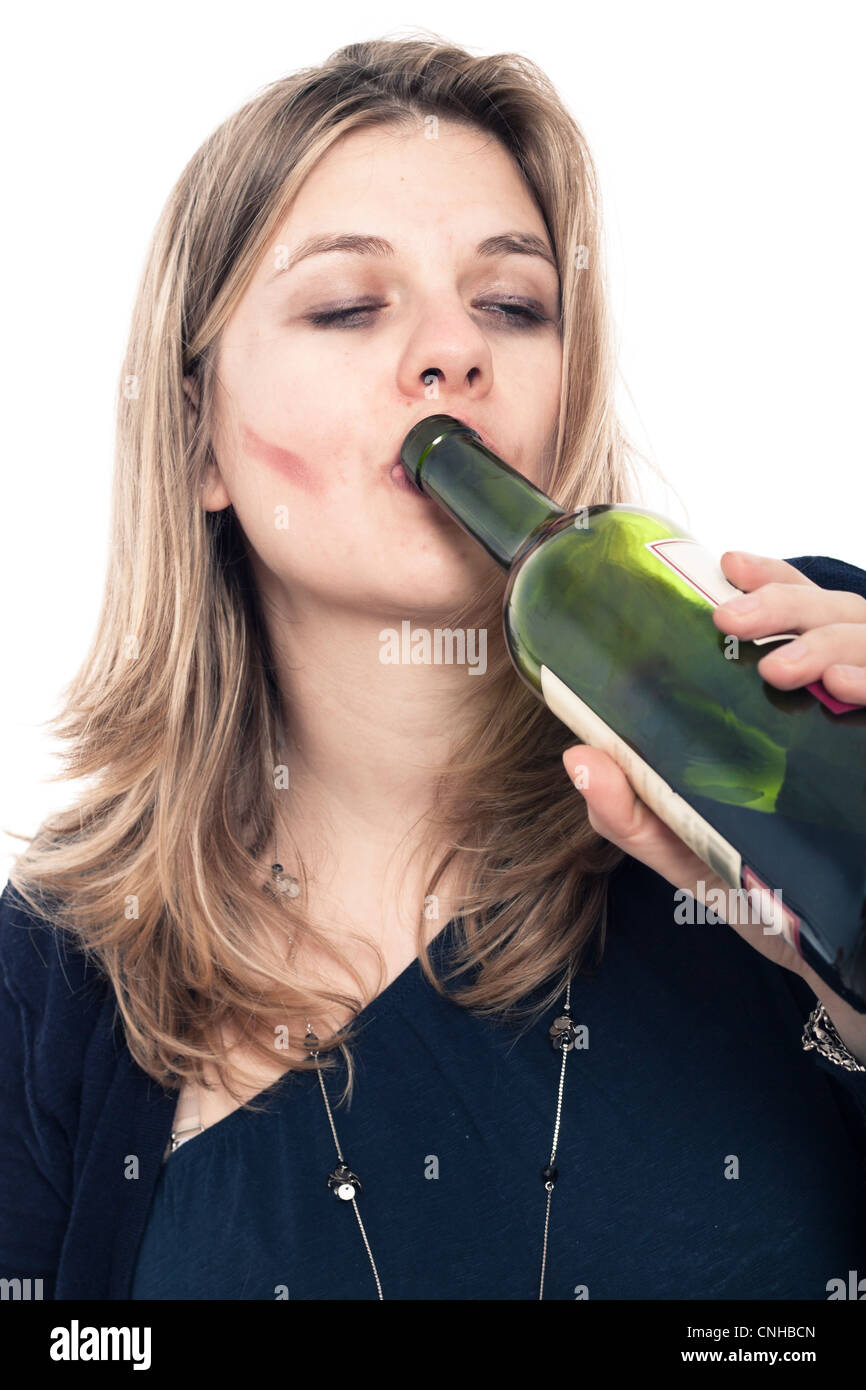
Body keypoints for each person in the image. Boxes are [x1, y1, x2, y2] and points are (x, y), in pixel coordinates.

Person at [1, 33, 865, 1303]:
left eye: (510, 306)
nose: (454, 353)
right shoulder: (50, 984)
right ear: (198, 445)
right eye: (350, 306)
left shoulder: (793, 688)